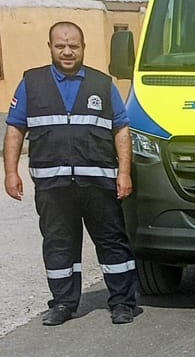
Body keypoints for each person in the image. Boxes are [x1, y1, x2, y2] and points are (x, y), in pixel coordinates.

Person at [3, 21, 142, 326]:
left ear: (83, 48)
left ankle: (122, 303)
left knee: (112, 242)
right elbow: (15, 129)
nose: (67, 51)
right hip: (52, 185)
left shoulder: (102, 84)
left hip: (98, 182)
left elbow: (121, 129)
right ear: (50, 47)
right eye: (60, 46)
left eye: (73, 46)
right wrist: (10, 172)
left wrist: (125, 173)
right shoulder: (31, 83)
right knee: (58, 245)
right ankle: (63, 304)